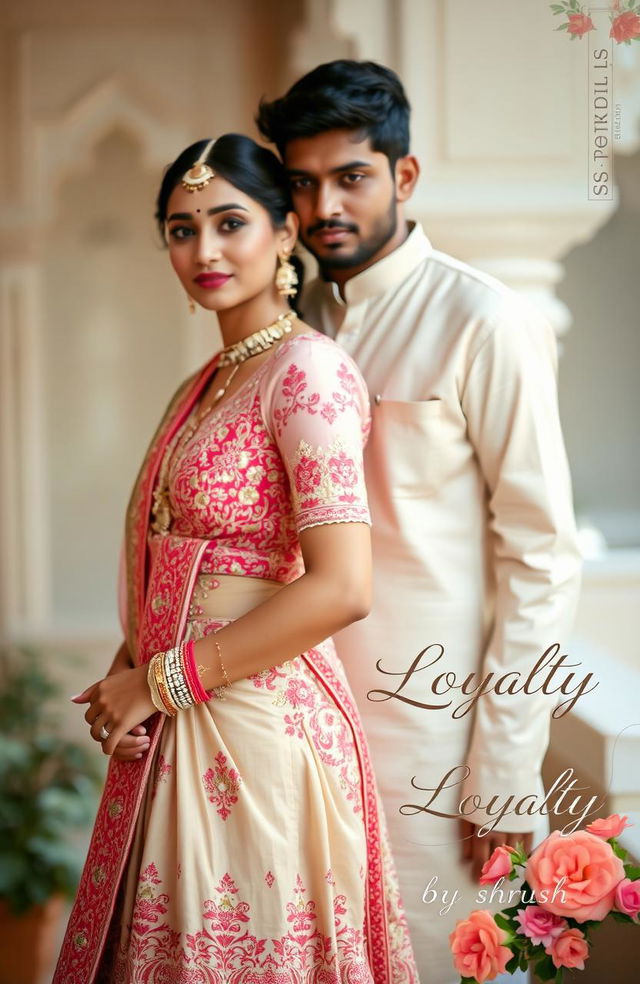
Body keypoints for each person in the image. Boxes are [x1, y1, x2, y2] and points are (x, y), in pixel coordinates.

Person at [53, 133, 419, 983]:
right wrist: (130, 675)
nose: (205, 250)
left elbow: (342, 586)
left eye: (229, 222)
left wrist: (157, 682)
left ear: (286, 231)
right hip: (182, 718)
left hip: (257, 730)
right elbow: (169, 557)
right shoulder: (203, 384)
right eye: (182, 229)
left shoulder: (310, 373)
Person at [257, 60, 583, 982]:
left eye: (351, 176)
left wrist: (507, 766)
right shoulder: (298, 322)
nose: (326, 204)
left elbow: (542, 554)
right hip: (302, 731)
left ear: (403, 177)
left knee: (447, 966)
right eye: (303, 181)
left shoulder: (483, 319)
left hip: (438, 748)